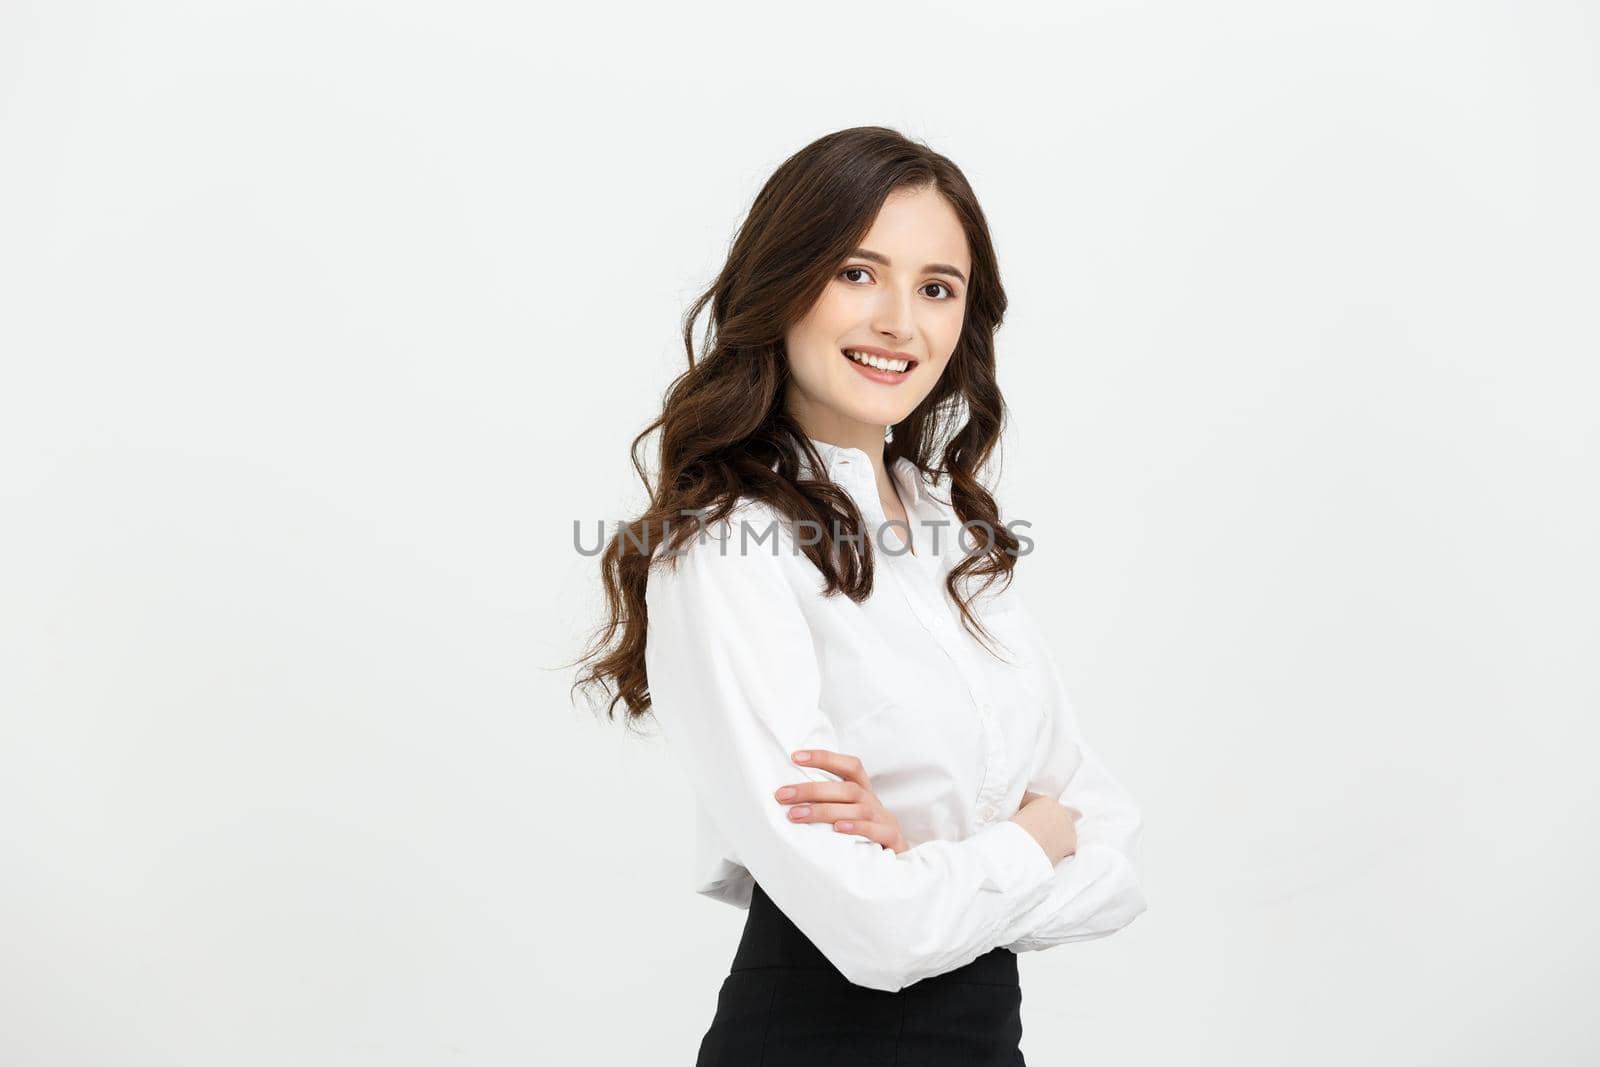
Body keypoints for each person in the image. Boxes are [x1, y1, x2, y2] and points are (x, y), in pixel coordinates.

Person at [571, 126, 1147, 1065]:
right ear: (782, 281)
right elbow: (879, 933)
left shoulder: (950, 532)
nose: (899, 323)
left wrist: (929, 857)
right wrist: (1027, 839)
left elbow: (1116, 847)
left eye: (935, 288)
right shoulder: (726, 545)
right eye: (855, 273)